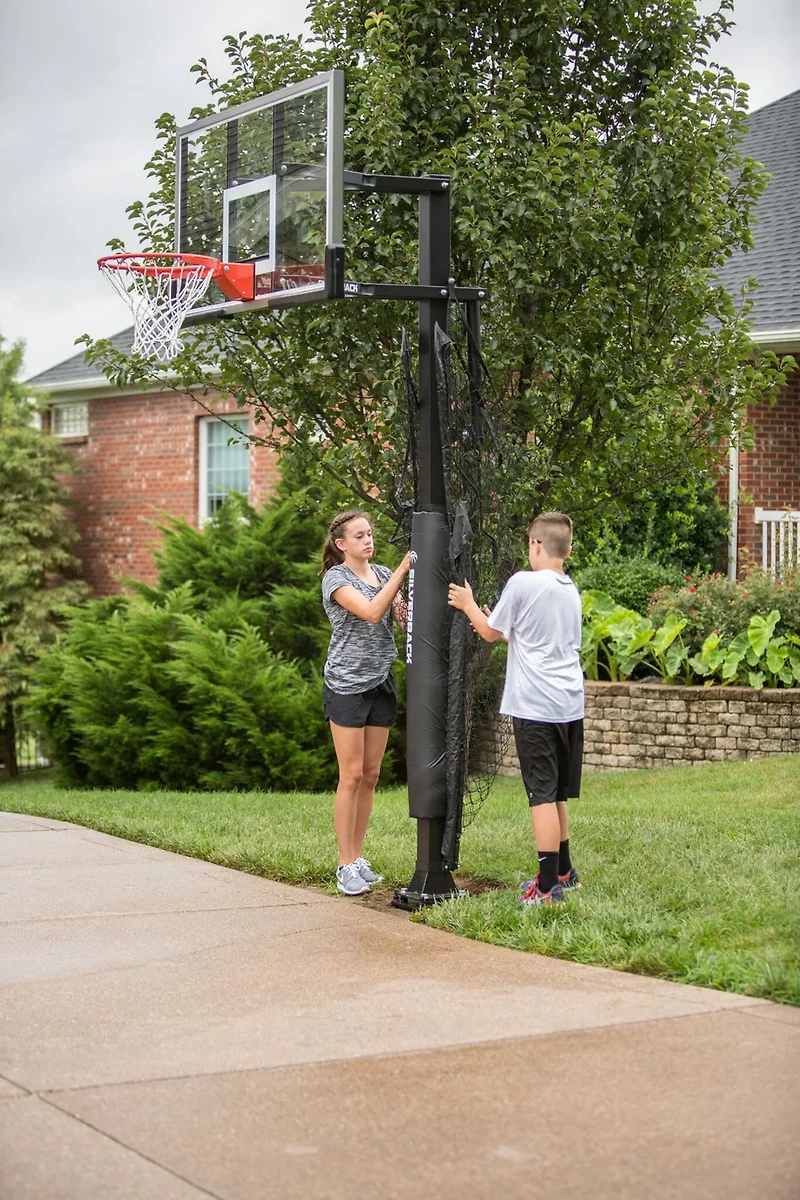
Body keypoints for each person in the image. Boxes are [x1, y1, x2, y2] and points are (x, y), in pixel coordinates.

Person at [448, 511, 584, 905]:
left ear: (535, 545)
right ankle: (564, 873)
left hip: (536, 706)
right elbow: (525, 635)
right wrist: (492, 618)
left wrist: (468, 604)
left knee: (541, 795)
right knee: (556, 793)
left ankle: (547, 889)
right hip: (569, 704)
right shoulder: (569, 590)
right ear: (567, 550)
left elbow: (489, 633)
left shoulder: (523, 582)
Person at [321, 509, 411, 896]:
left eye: (369, 534)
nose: (368, 540)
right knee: (352, 775)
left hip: (381, 681)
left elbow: (402, 621)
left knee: (372, 775)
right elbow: (373, 613)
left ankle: (357, 858)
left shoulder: (385, 574)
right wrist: (404, 570)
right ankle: (344, 865)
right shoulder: (335, 579)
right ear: (341, 544)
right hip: (346, 685)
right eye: (359, 536)